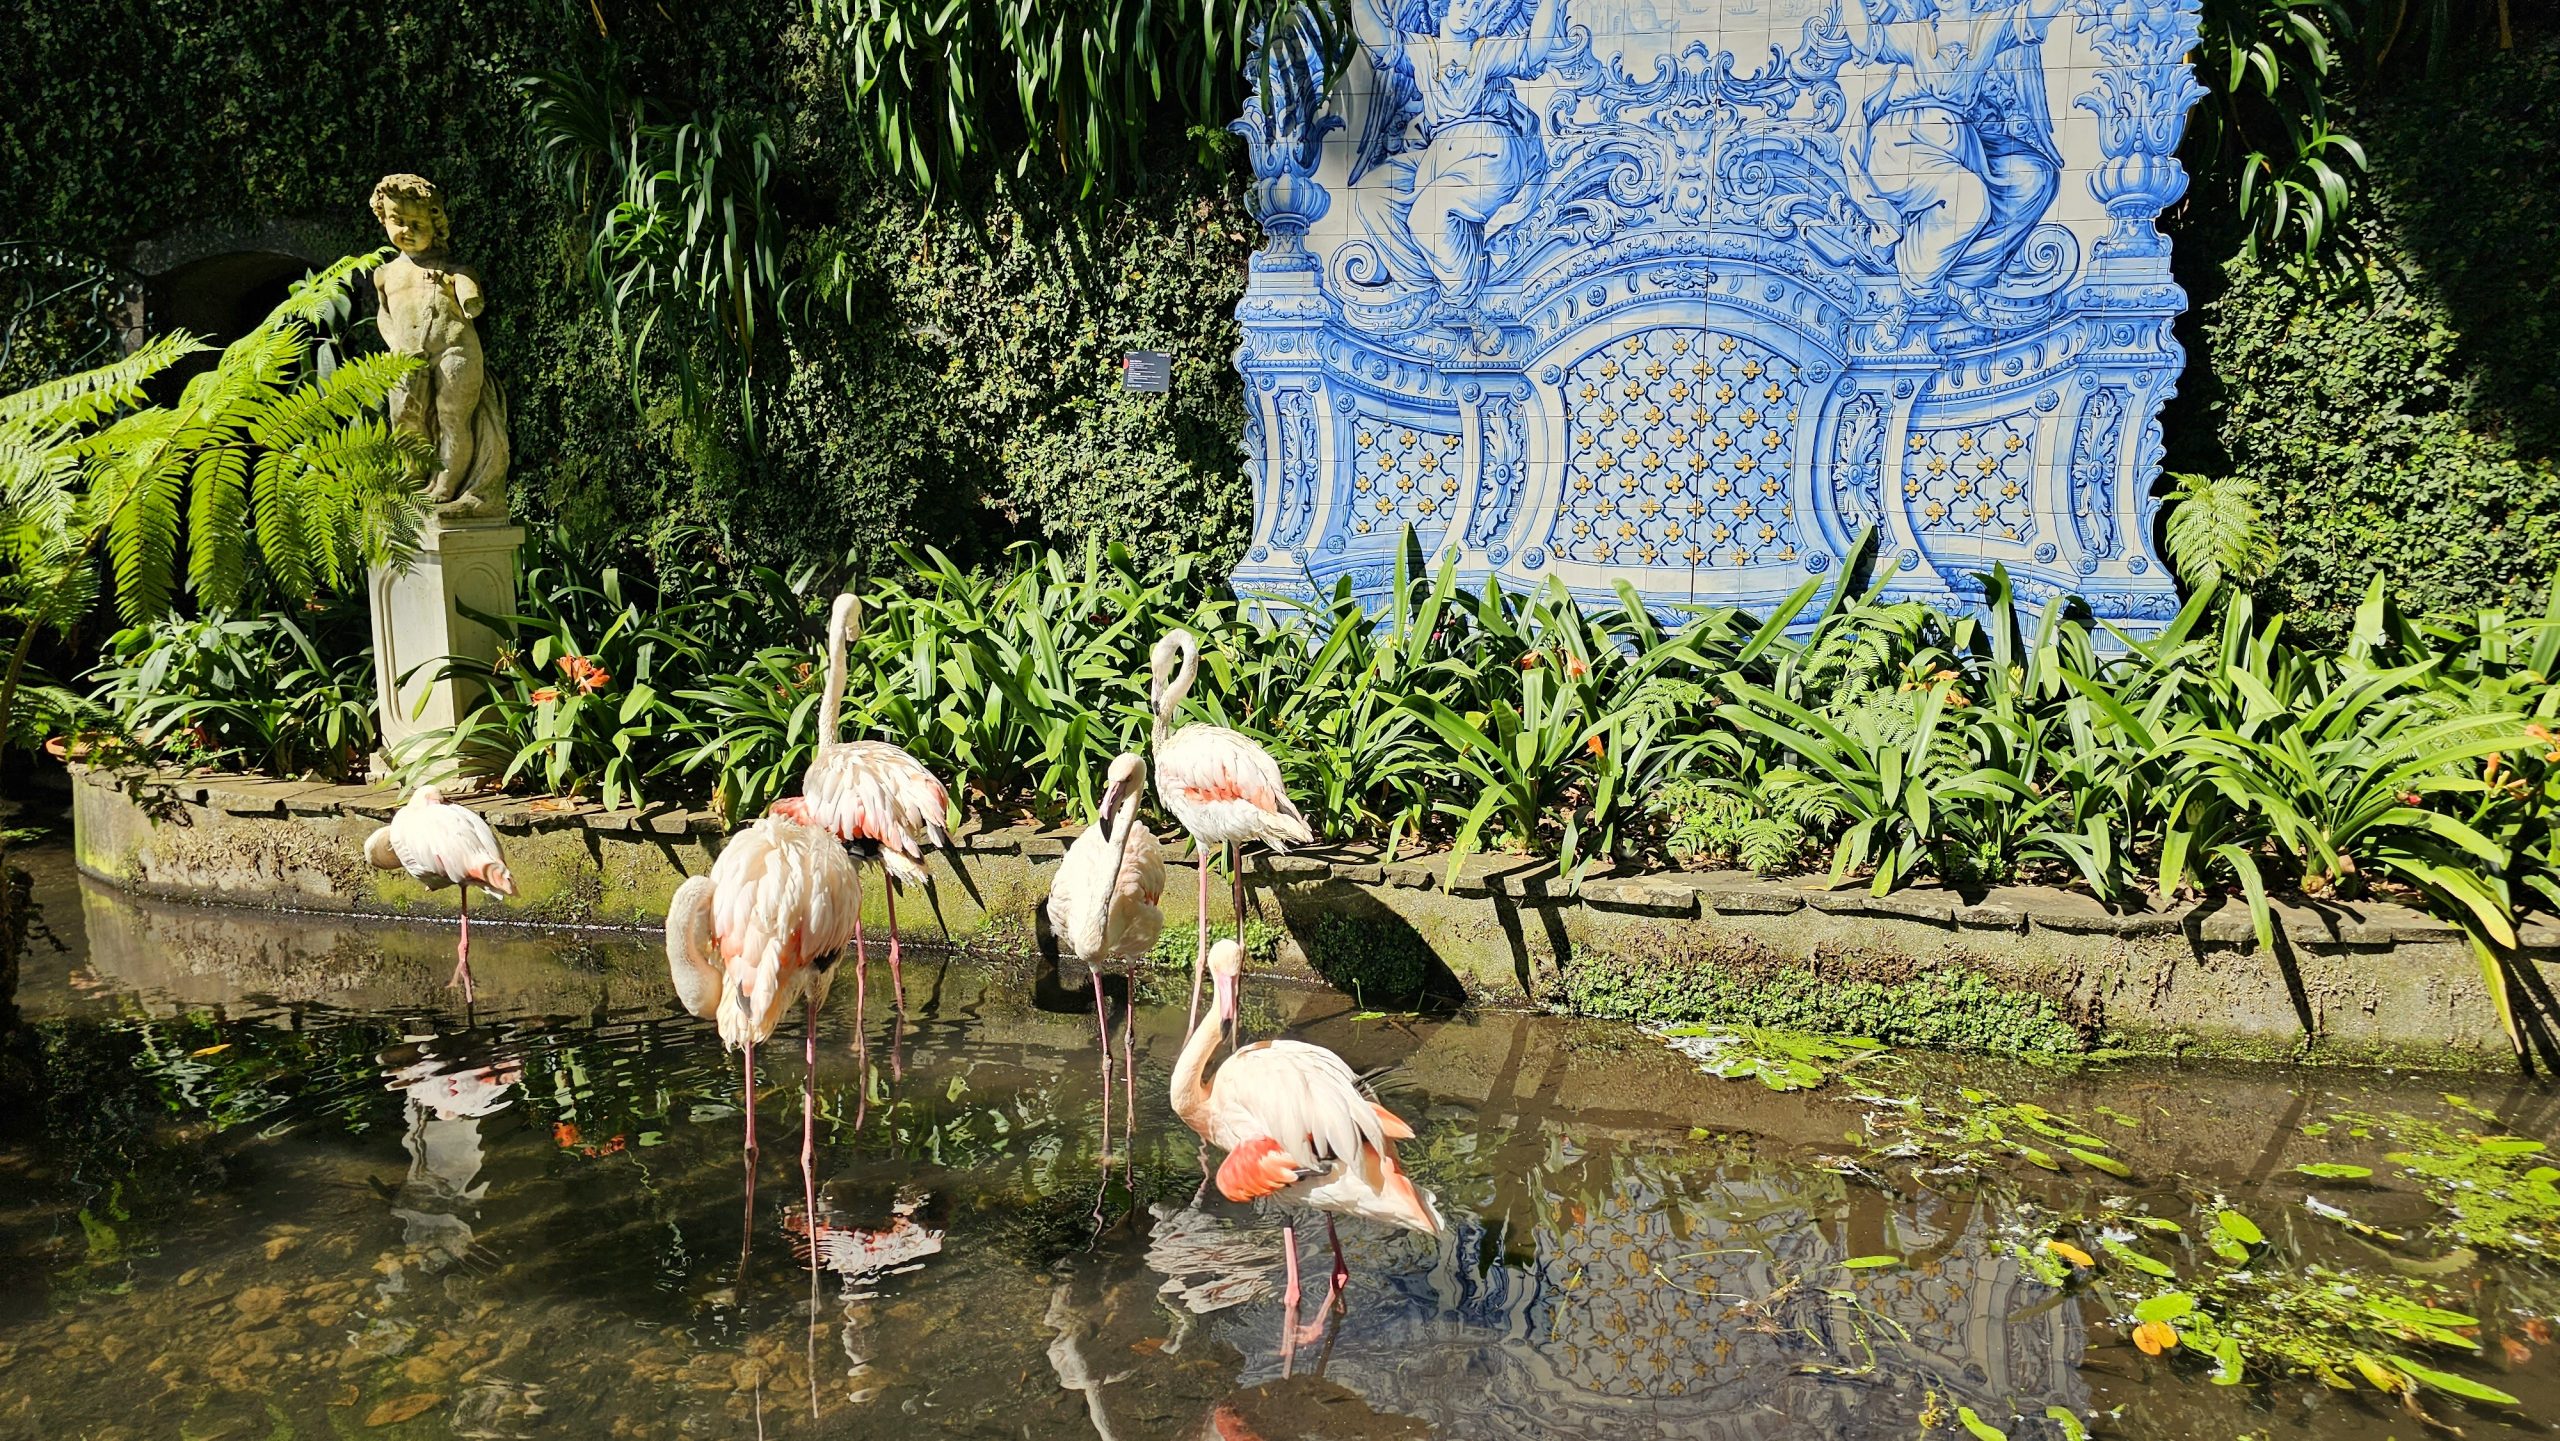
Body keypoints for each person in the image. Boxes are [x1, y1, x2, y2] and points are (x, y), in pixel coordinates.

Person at [1836, 0, 2066, 337]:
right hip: (1901, 145)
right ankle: (1913, 286)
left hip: (1960, 146)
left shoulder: (1990, 26)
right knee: (1967, 198)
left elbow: (2035, 14)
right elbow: (1865, 40)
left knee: (2036, 179)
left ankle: (1961, 279)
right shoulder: (1917, 32)